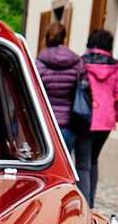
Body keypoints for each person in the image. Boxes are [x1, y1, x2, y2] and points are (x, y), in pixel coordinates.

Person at [76, 29, 118, 208]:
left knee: (82, 162)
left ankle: (83, 202)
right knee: (93, 160)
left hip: (83, 117)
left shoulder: (82, 62)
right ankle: (90, 202)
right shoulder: (117, 66)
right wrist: (116, 115)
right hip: (105, 121)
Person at [36, 21, 85, 152]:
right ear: (65, 38)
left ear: (46, 38)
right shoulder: (77, 63)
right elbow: (84, 88)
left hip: (44, 125)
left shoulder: (39, 62)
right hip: (69, 124)